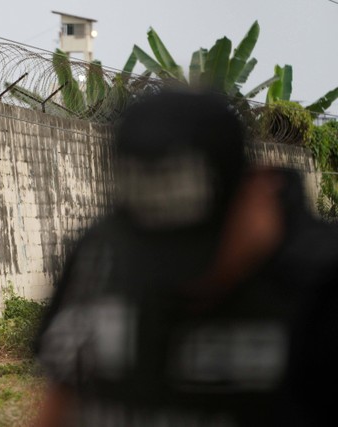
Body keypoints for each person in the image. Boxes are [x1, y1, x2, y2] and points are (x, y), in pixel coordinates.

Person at [35, 90, 338, 426]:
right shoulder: (99, 255)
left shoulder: (319, 284)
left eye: (195, 249)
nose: (171, 277)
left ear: (252, 191)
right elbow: (61, 397)